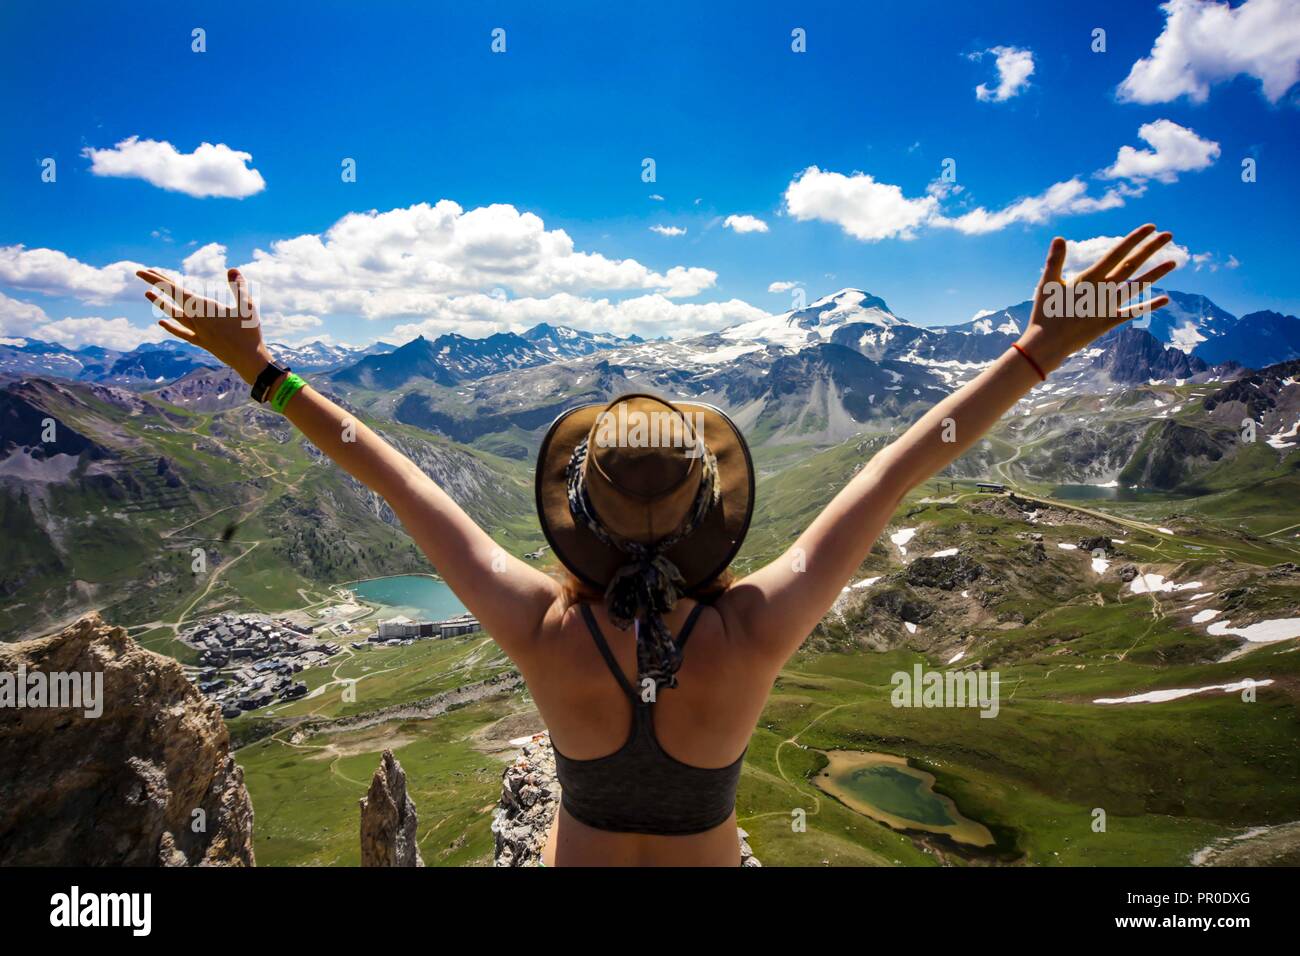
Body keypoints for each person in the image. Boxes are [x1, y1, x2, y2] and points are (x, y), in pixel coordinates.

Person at [137, 224, 1177, 866]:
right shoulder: (753, 630)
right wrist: (1036, 350)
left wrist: (260, 369)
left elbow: (391, 474)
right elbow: (894, 471)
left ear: (575, 519)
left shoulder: (544, 630)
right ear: (707, 513)